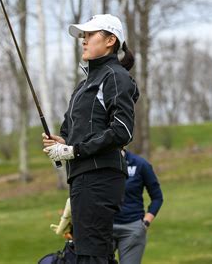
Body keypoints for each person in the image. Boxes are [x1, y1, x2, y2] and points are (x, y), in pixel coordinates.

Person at [43, 14, 139, 264]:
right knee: (89, 251)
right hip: (82, 177)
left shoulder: (116, 76)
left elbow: (122, 130)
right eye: (83, 36)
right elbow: (71, 129)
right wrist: (61, 143)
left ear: (110, 40)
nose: (83, 41)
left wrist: (74, 151)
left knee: (92, 254)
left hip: (101, 177)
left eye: (89, 35)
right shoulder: (83, 85)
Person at [112, 150, 163, 264]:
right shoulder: (98, 164)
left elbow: (157, 197)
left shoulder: (140, 164)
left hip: (132, 229)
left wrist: (145, 223)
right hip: (104, 227)